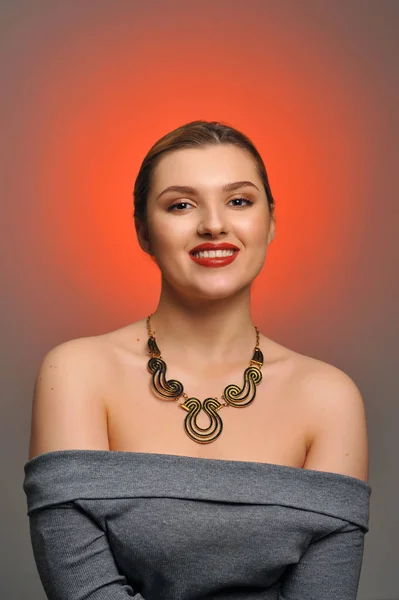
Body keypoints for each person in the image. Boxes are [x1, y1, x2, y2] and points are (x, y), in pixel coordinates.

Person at [23, 120, 371, 599]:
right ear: (144, 230)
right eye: (181, 204)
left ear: (270, 221)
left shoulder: (331, 398)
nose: (213, 223)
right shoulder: (77, 374)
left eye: (239, 201)